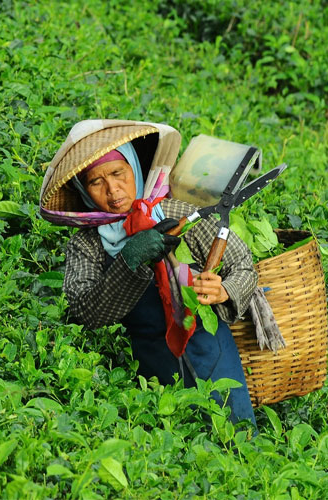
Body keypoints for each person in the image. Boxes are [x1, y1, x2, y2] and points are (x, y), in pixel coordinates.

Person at [61, 140, 258, 426]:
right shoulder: (87, 244)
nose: (112, 189)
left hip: (215, 356)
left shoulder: (177, 212)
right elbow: (84, 311)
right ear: (84, 190)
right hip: (152, 372)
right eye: (96, 182)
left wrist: (224, 290)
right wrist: (129, 260)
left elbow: (242, 265)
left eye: (118, 174)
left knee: (238, 440)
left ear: (135, 170)